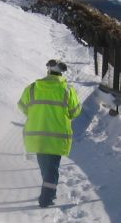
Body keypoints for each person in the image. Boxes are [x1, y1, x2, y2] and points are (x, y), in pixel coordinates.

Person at [17, 59, 82, 207]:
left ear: (48, 71)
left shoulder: (32, 88)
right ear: (61, 73)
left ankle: (48, 194)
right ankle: (46, 199)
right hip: (56, 136)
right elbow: (75, 111)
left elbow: (22, 106)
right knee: (51, 169)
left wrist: (36, 114)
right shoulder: (67, 90)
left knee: (46, 169)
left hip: (37, 135)